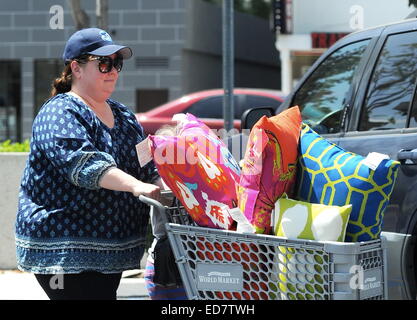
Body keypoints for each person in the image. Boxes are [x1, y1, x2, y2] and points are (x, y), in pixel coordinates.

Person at [15, 27, 163, 300]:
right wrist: (136, 186)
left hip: (112, 250)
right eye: (104, 63)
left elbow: (147, 165)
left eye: (117, 63)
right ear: (77, 68)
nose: (113, 71)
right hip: (65, 249)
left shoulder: (124, 116)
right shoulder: (60, 111)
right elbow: (84, 165)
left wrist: (168, 188)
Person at [143, 125, 188, 300]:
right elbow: (167, 194)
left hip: (188, 261)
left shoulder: (193, 180)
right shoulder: (160, 180)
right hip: (164, 263)